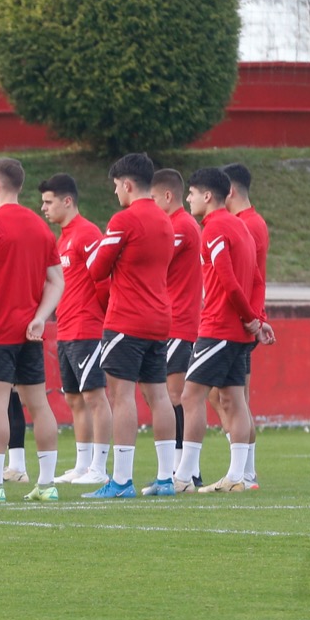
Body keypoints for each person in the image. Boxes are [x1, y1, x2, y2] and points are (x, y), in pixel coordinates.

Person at [0, 158, 64, 503]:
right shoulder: (41, 228)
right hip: (30, 334)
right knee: (40, 407)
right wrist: (40, 317)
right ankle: (46, 484)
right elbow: (56, 281)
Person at [84, 153, 179, 498]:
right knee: (158, 394)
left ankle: (122, 480)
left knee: (121, 395)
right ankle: (166, 478)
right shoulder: (167, 220)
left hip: (127, 319)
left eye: (115, 187)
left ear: (127, 184)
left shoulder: (124, 220)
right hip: (159, 318)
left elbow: (95, 267)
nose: (114, 193)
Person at [180, 168, 263, 493]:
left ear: (207, 196)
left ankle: (184, 477)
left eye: (191, 193)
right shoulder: (241, 225)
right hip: (239, 332)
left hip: (218, 327)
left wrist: (250, 318)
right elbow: (256, 279)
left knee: (191, 395)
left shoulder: (213, 229)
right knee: (233, 399)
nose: (189, 198)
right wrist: (256, 319)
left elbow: (229, 281)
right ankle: (237, 477)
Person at [37, 173, 112, 485]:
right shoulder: (63, 237)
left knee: (95, 396)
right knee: (74, 399)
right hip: (66, 330)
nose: (43, 208)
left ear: (67, 201)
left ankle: (100, 467)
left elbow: (104, 281)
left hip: (87, 329)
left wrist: (102, 318)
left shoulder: (88, 234)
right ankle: (82, 465)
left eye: (48, 202)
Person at [221, 163, 271, 489]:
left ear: (230, 191)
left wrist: (252, 319)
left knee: (230, 398)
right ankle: (246, 472)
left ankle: (244, 472)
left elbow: (245, 279)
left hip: (240, 321)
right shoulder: (249, 222)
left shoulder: (246, 226)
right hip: (247, 318)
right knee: (229, 397)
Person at [153, 167, 202, 487]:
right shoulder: (177, 224)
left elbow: (154, 258)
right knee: (174, 394)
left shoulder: (180, 226)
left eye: (154, 198)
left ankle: (185, 470)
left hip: (179, 322)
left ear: (168, 196)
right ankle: (183, 470)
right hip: (174, 322)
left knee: (175, 394)